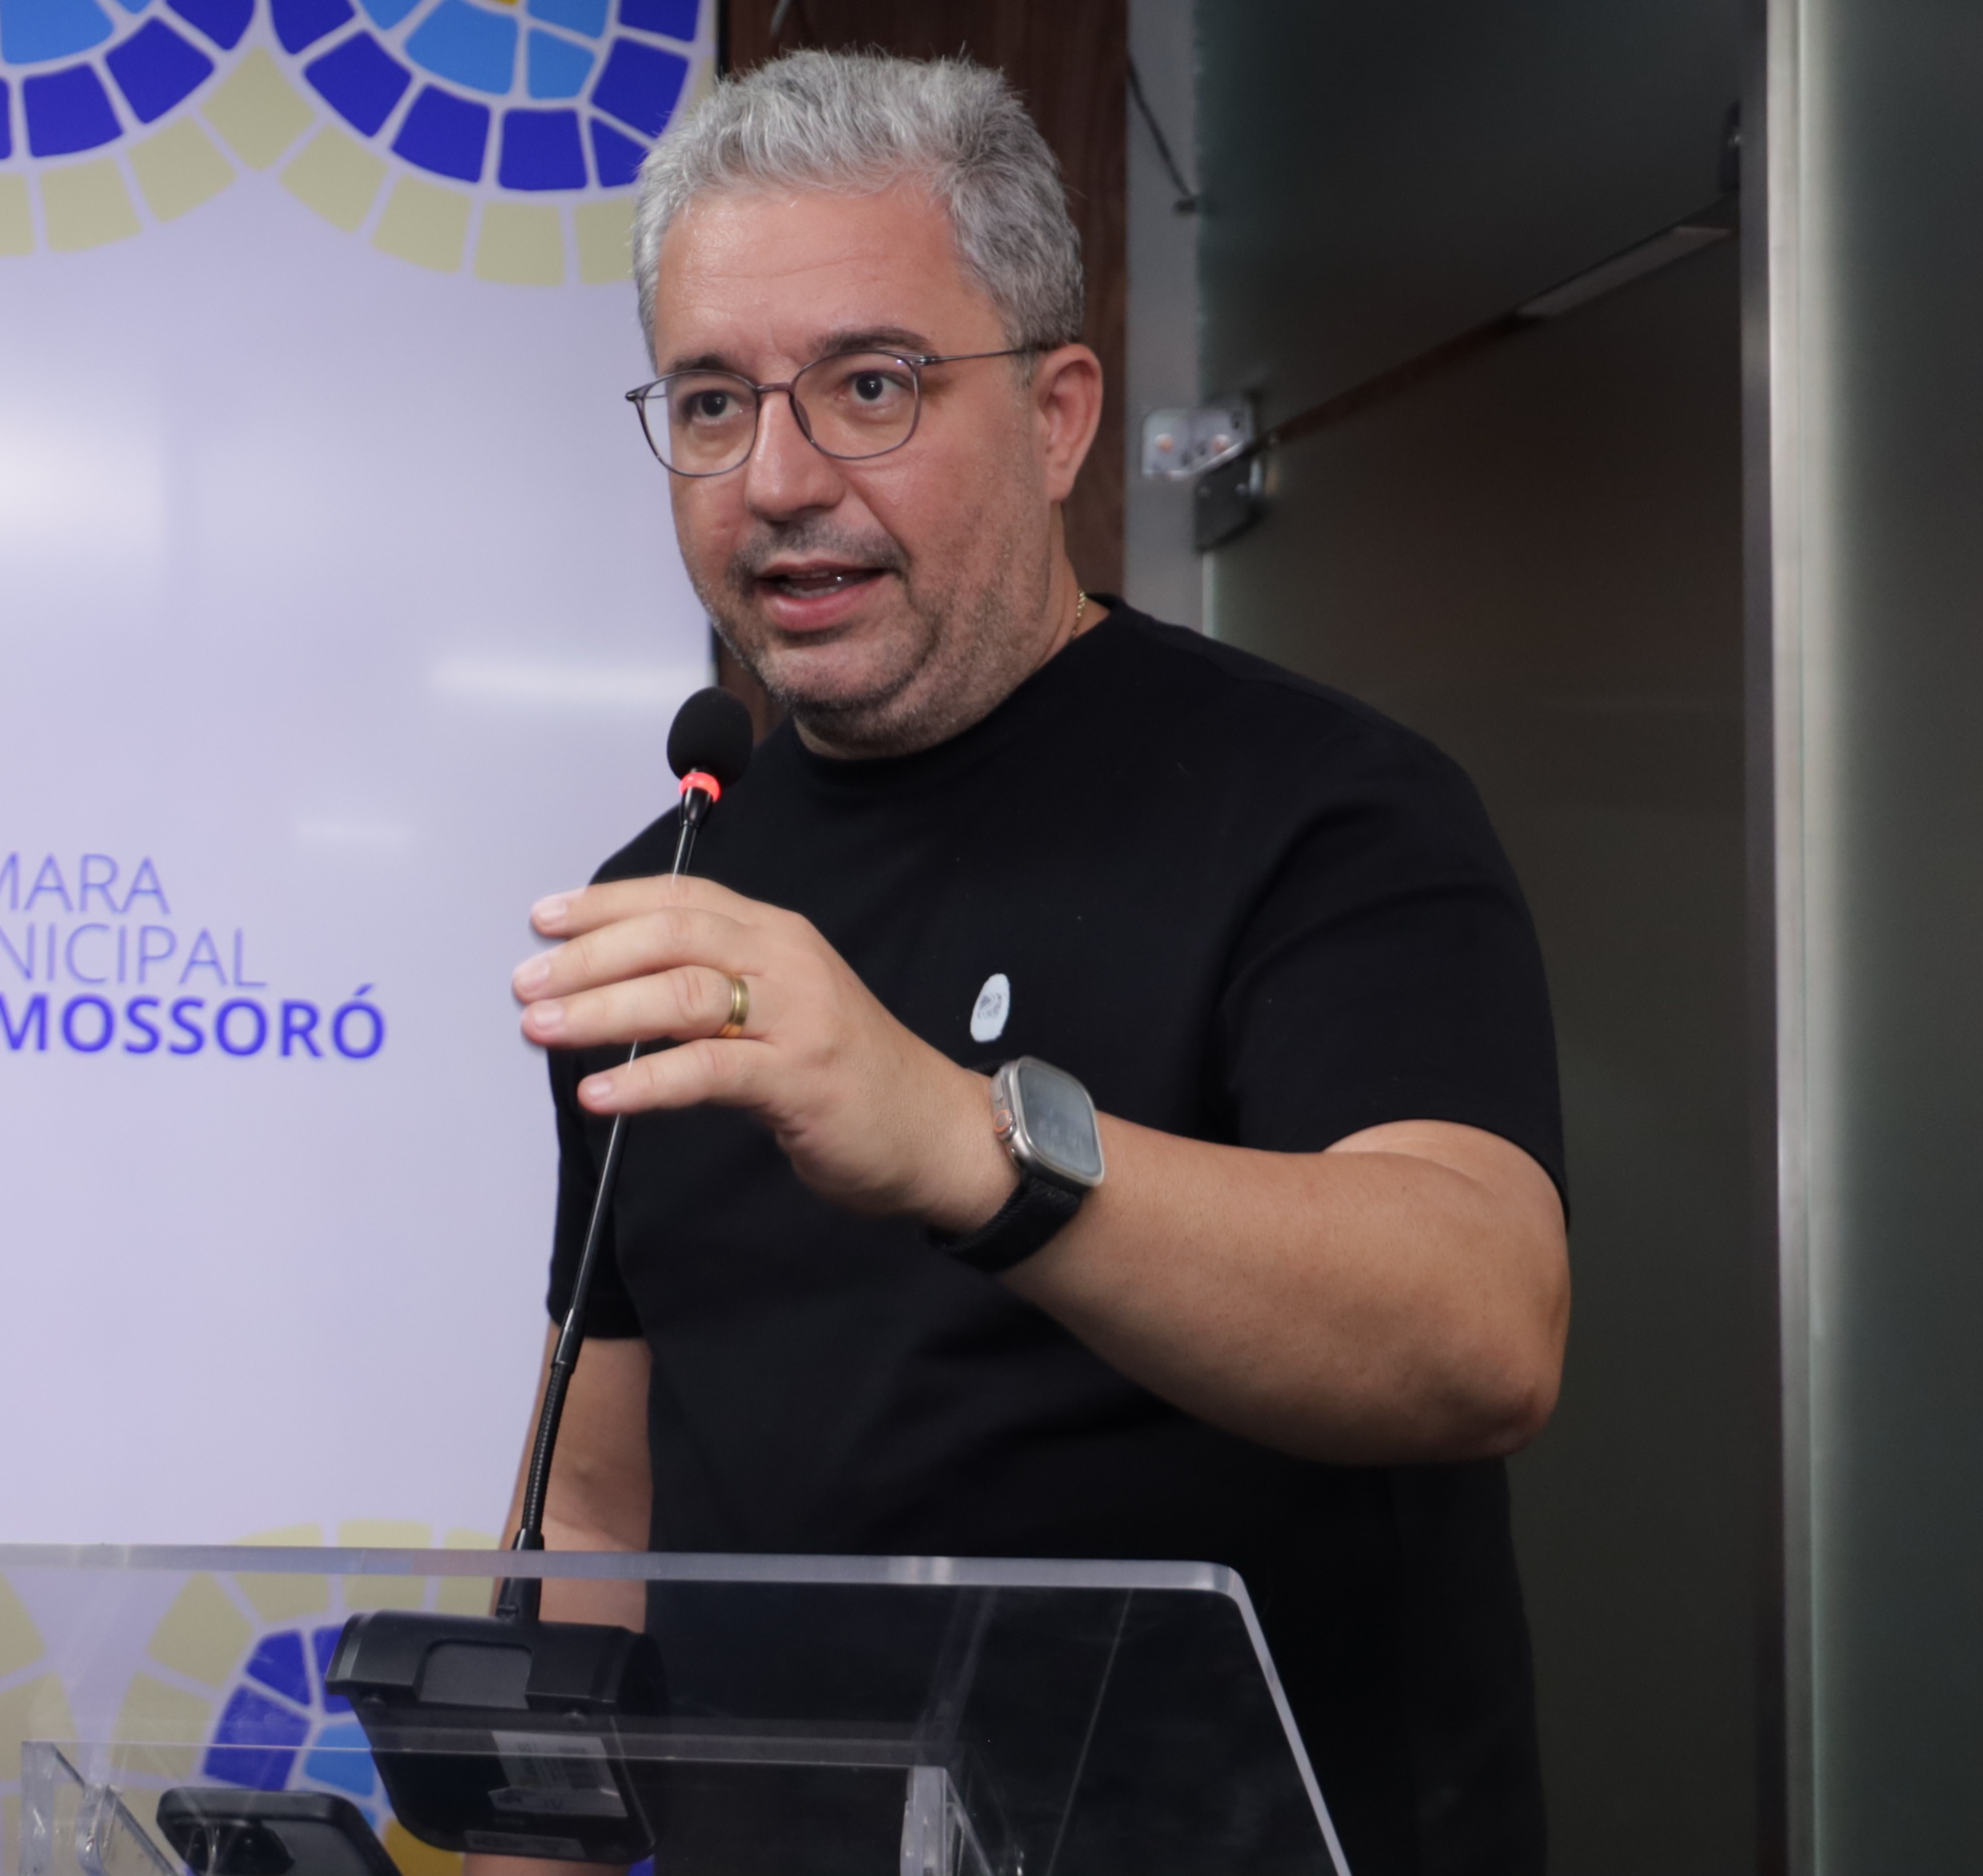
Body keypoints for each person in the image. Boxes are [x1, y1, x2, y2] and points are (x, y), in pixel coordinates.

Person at [497, 49, 1570, 1876]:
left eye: (869, 386)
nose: (776, 480)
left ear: (1059, 415)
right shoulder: (671, 894)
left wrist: (961, 1140)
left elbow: (1479, 1329)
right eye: (710, 401)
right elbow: (597, 1512)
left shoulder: (1323, 808)